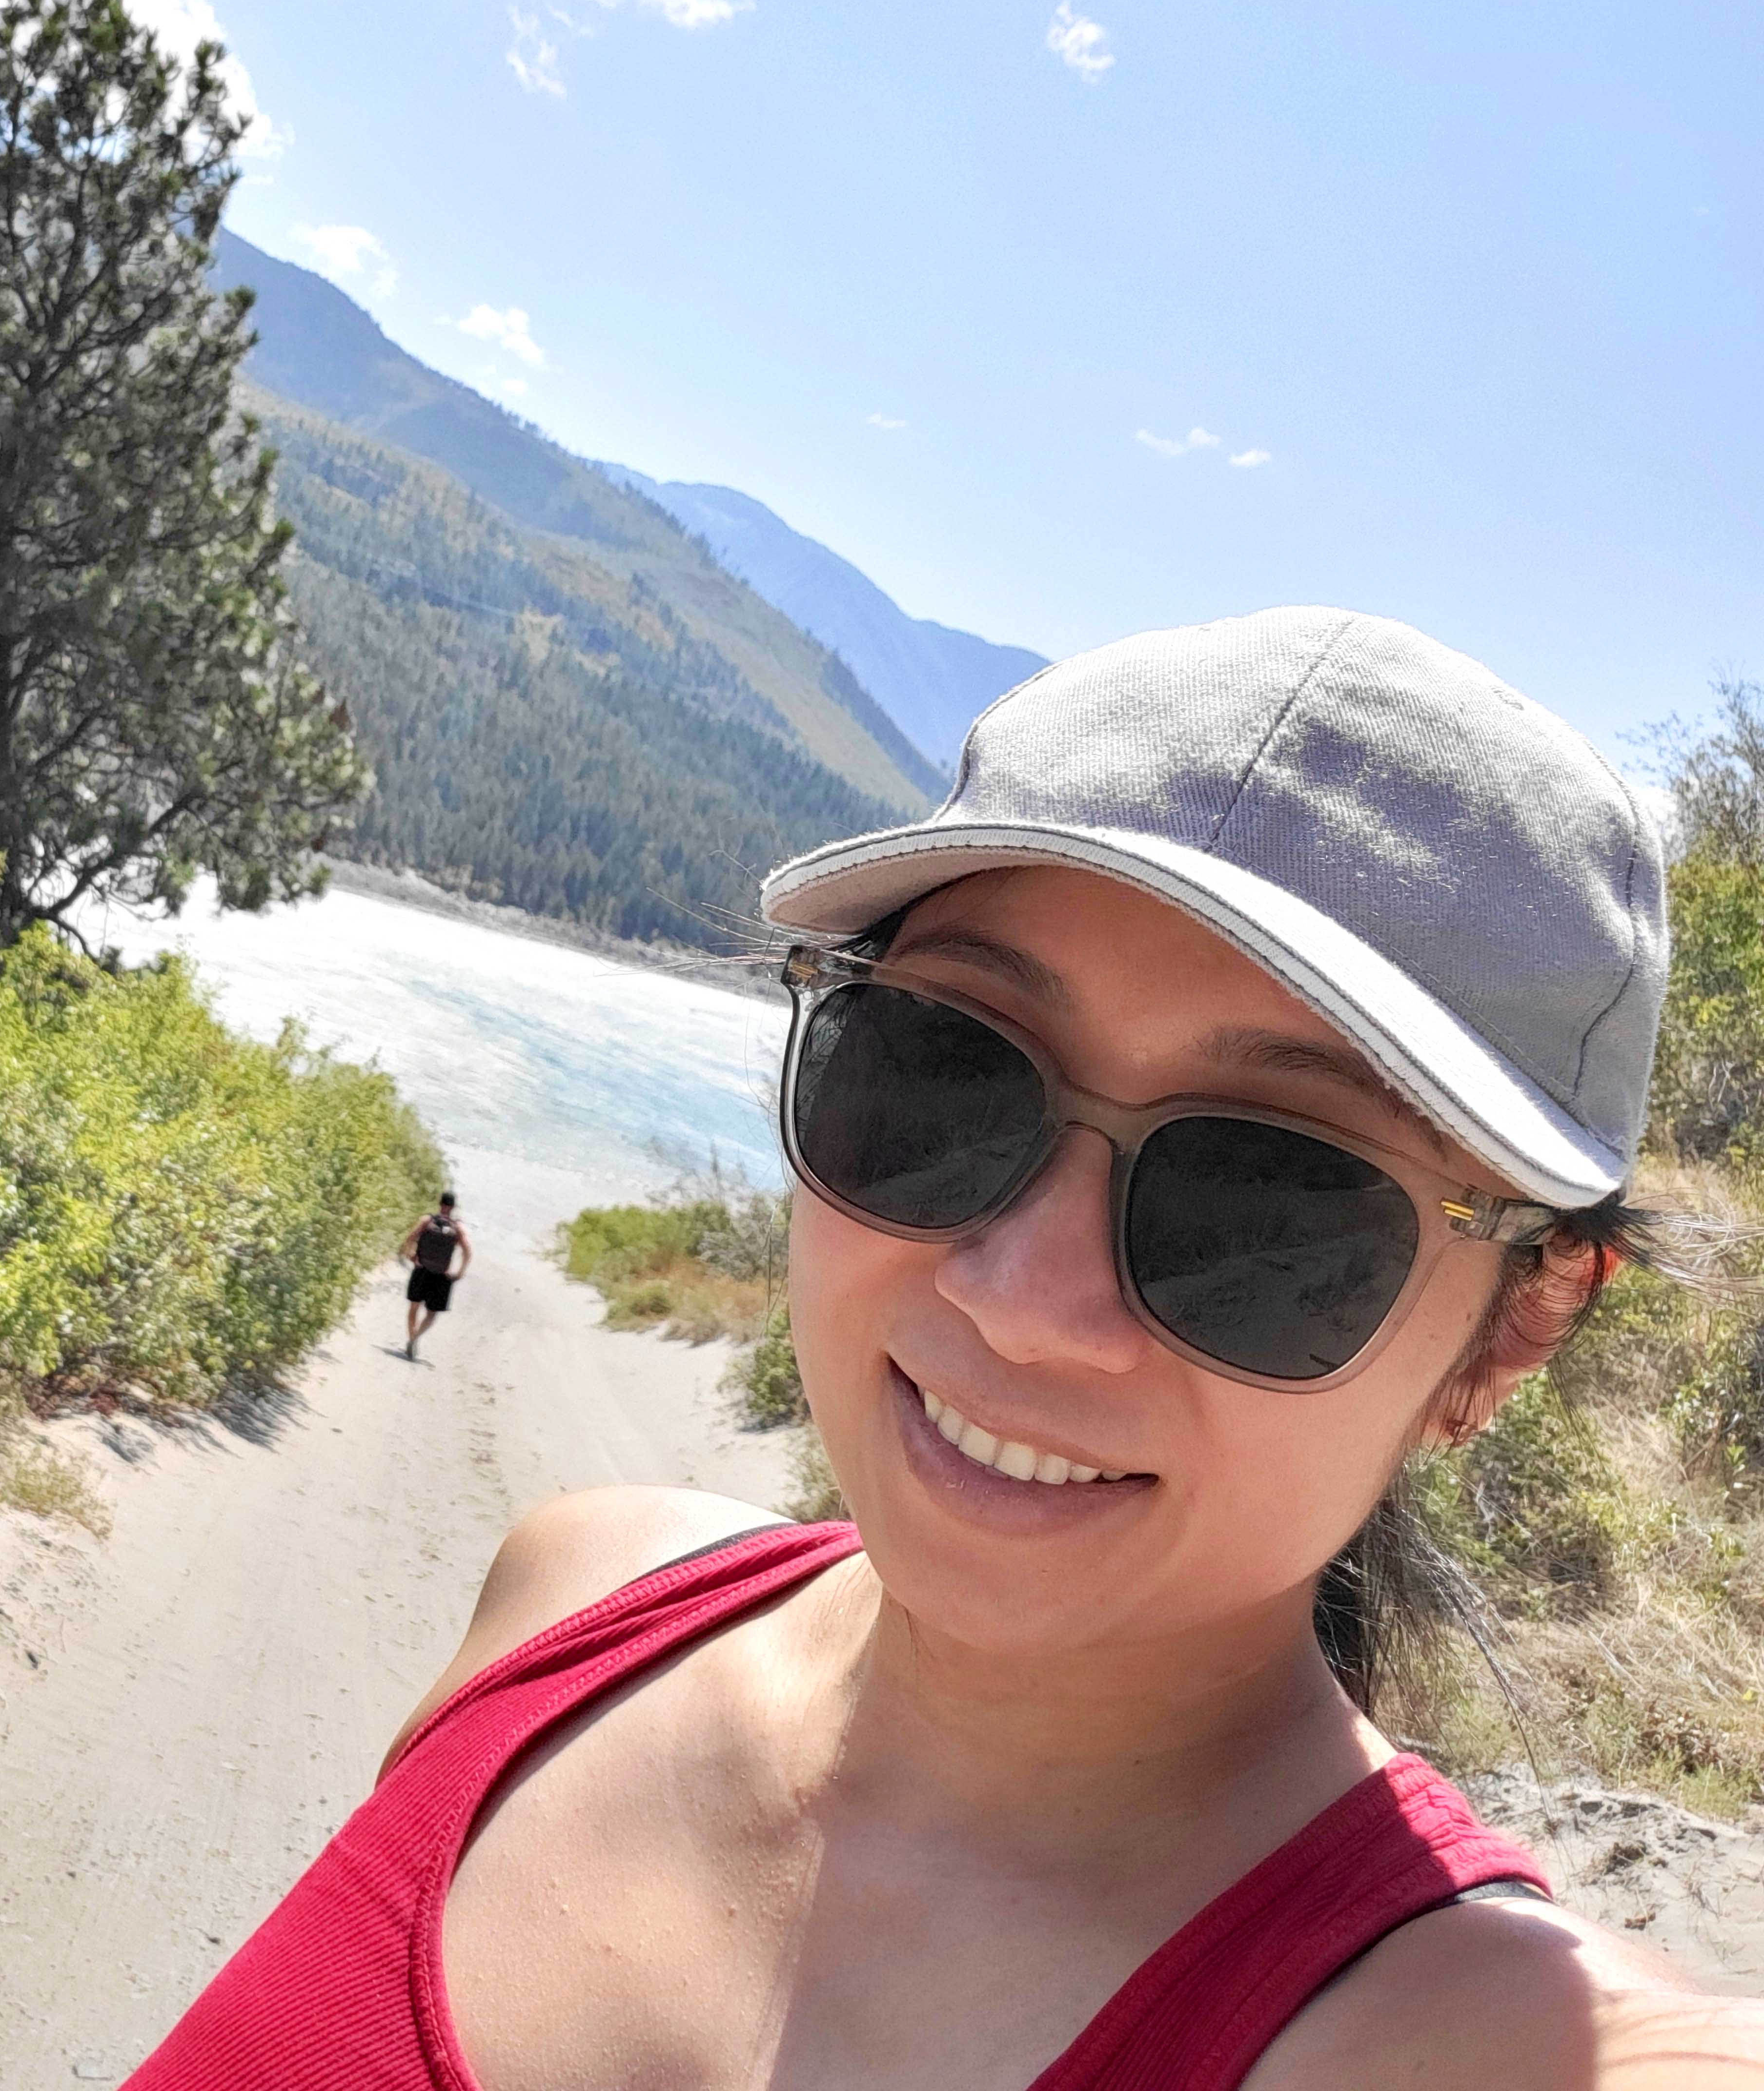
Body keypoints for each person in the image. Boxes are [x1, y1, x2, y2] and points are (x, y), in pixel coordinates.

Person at [130, 609, 1764, 2089]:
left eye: (1268, 1206)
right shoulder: (566, 1601)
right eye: (939, 1072)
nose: (1016, 1292)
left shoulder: (1496, 2050)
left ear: (1519, 1323)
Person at [401, 1192, 470, 1362]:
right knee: (432, 1314)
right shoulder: (458, 1228)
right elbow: (468, 1252)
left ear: (440, 1204)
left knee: (414, 1307)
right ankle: (416, 1338)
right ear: (453, 1207)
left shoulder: (427, 1221)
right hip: (441, 1276)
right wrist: (460, 1273)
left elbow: (410, 1238)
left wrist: (410, 1255)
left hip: (422, 1269)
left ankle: (412, 1339)